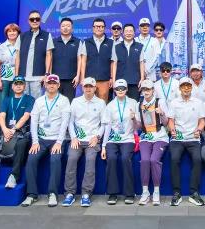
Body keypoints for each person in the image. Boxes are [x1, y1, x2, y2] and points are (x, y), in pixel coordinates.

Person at [21, 74, 71, 207]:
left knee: (55, 159)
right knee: (31, 159)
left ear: (58, 85)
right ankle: (31, 194)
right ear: (45, 85)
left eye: (54, 83)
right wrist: (35, 141)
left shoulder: (64, 100)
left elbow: (65, 123)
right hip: (41, 139)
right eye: (49, 83)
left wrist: (59, 142)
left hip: (57, 139)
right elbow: (34, 122)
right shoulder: (39, 101)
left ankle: (52, 193)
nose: (52, 85)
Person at [0, 75, 33, 189]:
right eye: (16, 84)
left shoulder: (29, 99)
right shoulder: (7, 99)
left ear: (24, 86)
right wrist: (5, 130)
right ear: (12, 86)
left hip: (21, 132)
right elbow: (2, 116)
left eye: (21, 84)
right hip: (6, 131)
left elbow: (26, 116)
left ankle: (14, 176)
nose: (18, 86)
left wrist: (13, 129)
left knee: (21, 144)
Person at [63, 77, 106, 207]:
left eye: (90, 86)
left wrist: (97, 137)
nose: (88, 89)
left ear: (95, 88)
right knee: (71, 158)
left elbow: (103, 124)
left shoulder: (101, 103)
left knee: (90, 160)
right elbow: (70, 122)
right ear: (82, 88)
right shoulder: (75, 102)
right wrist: (73, 137)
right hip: (77, 140)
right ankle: (69, 193)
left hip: (92, 140)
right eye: (86, 86)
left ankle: (86, 193)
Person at [167, 77, 205, 207]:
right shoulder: (174, 103)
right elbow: (171, 120)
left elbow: (202, 121)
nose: (186, 88)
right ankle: (176, 193)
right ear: (180, 88)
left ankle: (194, 193)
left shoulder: (198, 103)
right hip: (177, 138)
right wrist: (172, 129)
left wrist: (199, 130)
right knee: (174, 159)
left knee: (197, 159)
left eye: (188, 86)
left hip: (193, 138)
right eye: (183, 86)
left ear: (191, 87)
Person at [102, 79, 139, 204]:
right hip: (113, 139)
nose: (120, 90)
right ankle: (112, 193)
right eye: (118, 88)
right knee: (111, 158)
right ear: (114, 90)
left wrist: (134, 119)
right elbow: (107, 127)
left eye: (123, 88)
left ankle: (129, 193)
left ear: (127, 89)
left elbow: (138, 126)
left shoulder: (133, 103)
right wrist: (103, 146)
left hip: (128, 138)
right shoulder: (110, 105)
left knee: (125, 159)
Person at [138, 79, 169, 206]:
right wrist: (133, 119)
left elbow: (166, 123)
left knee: (154, 160)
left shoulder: (160, 102)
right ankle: (145, 192)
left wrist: (162, 114)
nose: (146, 92)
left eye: (148, 89)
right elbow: (138, 126)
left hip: (160, 136)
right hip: (146, 137)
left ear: (153, 90)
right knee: (145, 160)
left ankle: (156, 192)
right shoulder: (139, 103)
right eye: (144, 89)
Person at [17, 10, 53, 98]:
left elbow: (49, 55)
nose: (35, 21)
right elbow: (17, 56)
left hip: (38, 77)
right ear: (28, 21)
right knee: (23, 102)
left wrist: (47, 74)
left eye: (37, 19)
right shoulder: (22, 36)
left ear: (40, 20)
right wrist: (16, 75)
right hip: (23, 77)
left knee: (37, 102)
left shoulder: (47, 35)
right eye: (32, 19)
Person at [79, 18, 116, 102]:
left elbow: (113, 62)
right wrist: (82, 78)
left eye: (101, 26)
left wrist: (112, 78)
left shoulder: (111, 43)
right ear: (93, 28)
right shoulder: (86, 42)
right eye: (97, 26)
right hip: (89, 80)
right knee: (88, 103)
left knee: (103, 104)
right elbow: (83, 61)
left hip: (105, 80)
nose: (99, 28)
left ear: (104, 28)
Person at [114, 23, 144, 101]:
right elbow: (114, 64)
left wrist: (142, 78)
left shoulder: (140, 46)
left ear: (134, 33)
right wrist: (114, 80)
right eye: (126, 31)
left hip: (135, 82)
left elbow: (141, 63)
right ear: (123, 33)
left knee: (134, 104)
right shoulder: (116, 47)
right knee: (120, 104)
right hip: (120, 81)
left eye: (130, 31)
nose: (128, 33)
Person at [0, 23, 22, 107]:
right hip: (4, 78)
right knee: (2, 102)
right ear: (6, 33)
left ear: (18, 33)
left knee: (14, 103)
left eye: (14, 31)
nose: (12, 33)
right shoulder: (1, 47)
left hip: (16, 78)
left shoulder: (22, 46)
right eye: (9, 31)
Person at [52, 17, 80, 99]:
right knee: (55, 102)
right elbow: (49, 59)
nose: (65, 28)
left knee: (69, 102)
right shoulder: (53, 42)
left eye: (68, 26)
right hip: (55, 79)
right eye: (63, 26)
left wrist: (78, 76)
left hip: (71, 80)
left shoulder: (78, 42)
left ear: (72, 28)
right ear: (60, 28)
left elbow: (80, 60)